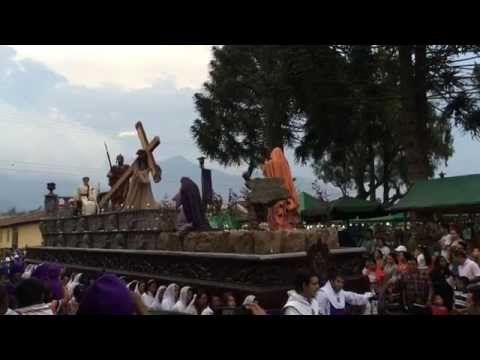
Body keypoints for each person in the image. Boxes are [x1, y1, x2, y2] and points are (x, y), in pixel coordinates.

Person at [262, 147, 300, 230]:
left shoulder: (271, 164)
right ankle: (286, 227)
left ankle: (277, 227)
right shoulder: (285, 164)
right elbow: (289, 180)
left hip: (275, 194)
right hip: (286, 193)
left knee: (276, 212)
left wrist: (265, 161)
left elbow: (265, 171)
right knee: (285, 213)